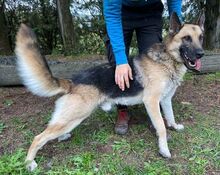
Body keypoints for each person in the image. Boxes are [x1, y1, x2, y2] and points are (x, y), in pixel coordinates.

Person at [103, 0, 182, 135]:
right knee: (117, 63)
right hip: (122, 12)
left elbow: (174, 3)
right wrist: (121, 61)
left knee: (155, 62)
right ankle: (122, 109)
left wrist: (179, 30)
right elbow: (111, 13)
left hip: (150, 12)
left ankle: (154, 111)